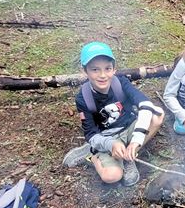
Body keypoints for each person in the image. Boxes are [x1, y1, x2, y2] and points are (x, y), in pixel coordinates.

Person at [63, 42, 164, 186]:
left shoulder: (121, 83)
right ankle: (92, 155)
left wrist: (136, 141)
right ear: (85, 71)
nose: (103, 75)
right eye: (95, 70)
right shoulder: (83, 98)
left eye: (107, 68)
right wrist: (111, 144)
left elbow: (146, 105)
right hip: (106, 137)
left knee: (157, 115)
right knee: (112, 176)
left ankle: (129, 155)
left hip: (128, 128)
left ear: (114, 68)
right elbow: (91, 134)